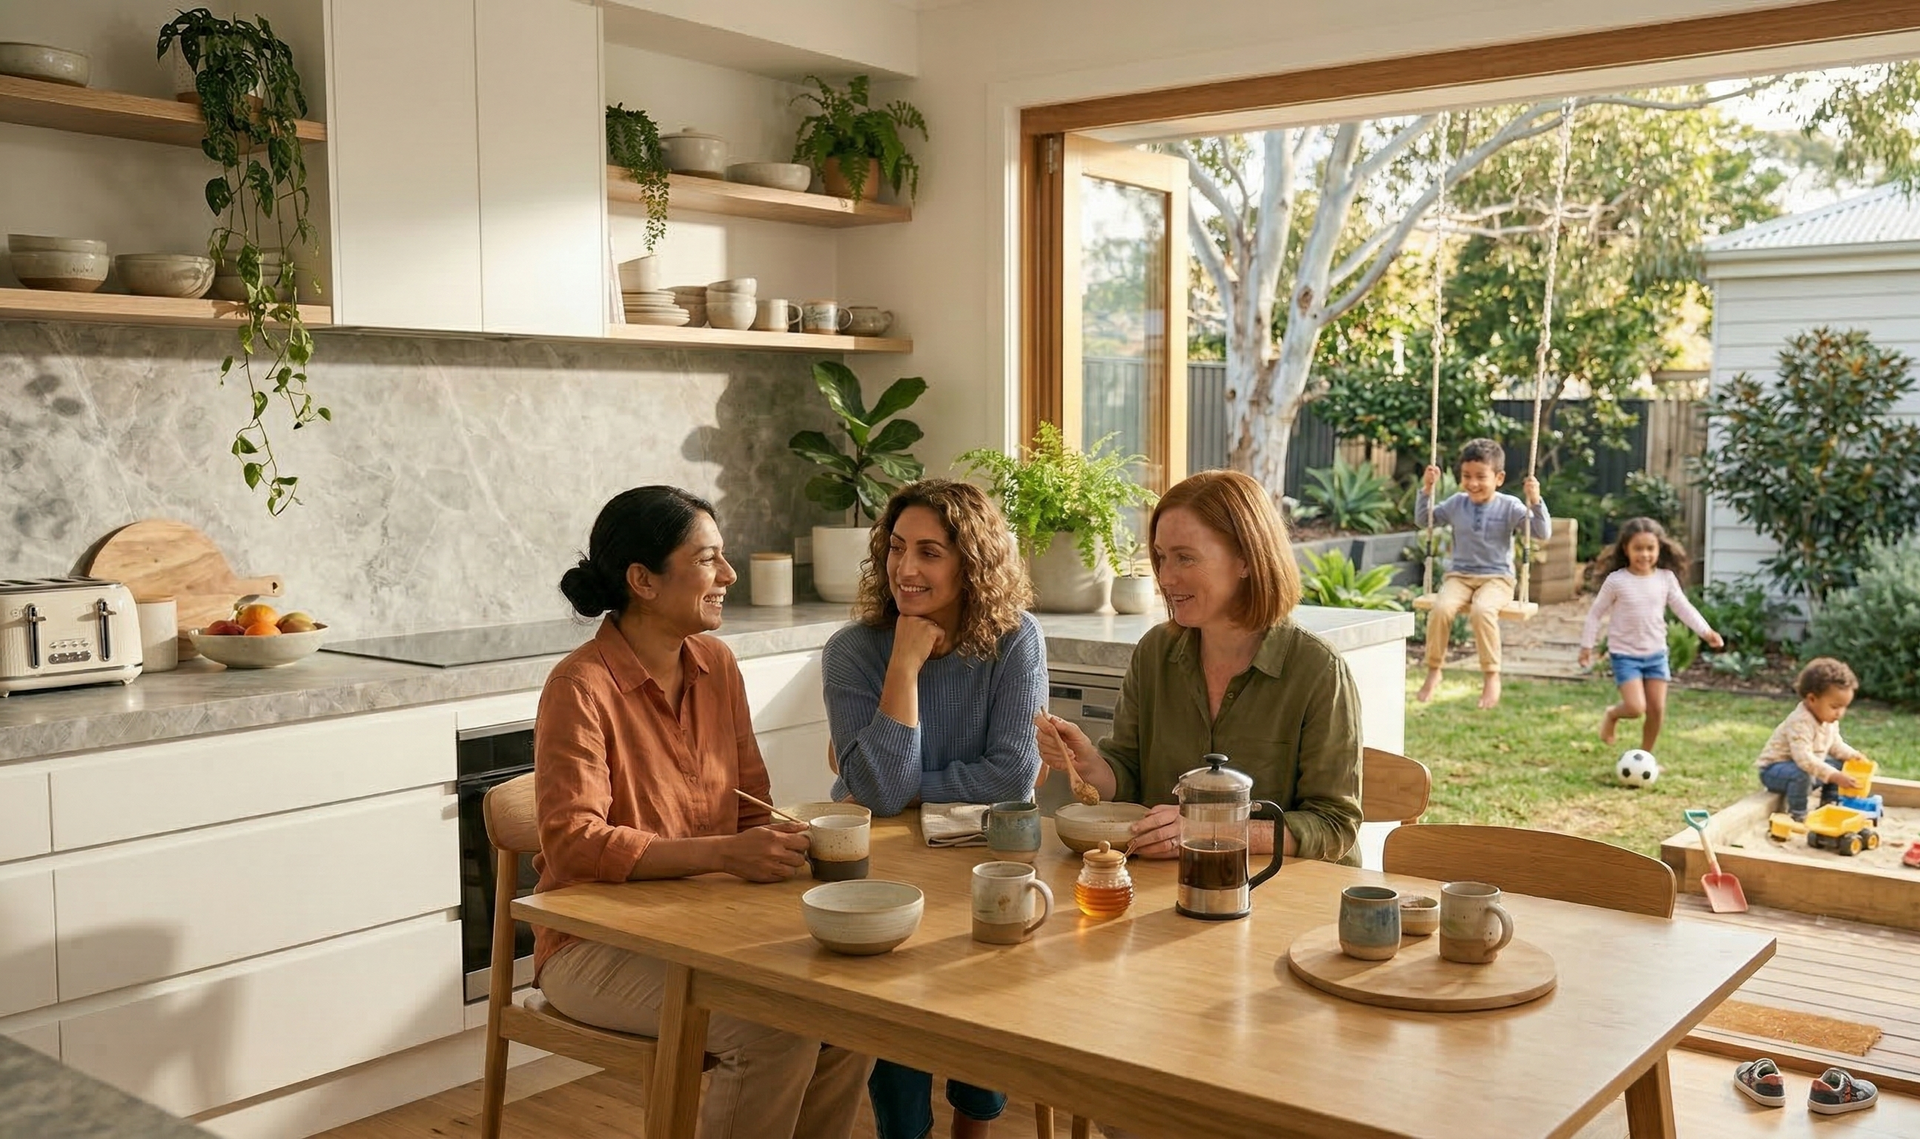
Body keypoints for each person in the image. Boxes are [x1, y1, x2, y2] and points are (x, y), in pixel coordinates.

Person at [532, 486, 871, 1139]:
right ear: (643, 580)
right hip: (592, 945)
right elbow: (574, 843)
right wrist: (722, 854)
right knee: (775, 1022)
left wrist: (778, 842)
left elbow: (749, 807)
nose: (729, 575)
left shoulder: (717, 664)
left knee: (852, 1008)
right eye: (709, 558)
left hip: (701, 925)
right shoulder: (580, 686)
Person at [823, 478, 1047, 1139]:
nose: (906, 568)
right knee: (895, 1010)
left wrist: (890, 780)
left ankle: (972, 1129)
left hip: (987, 859)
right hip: (885, 868)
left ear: (971, 561)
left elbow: (1013, 772)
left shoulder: (1015, 639)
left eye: (929, 551)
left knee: (981, 1002)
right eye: (895, 548)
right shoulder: (855, 651)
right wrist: (904, 662)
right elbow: (882, 795)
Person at [1033, 469, 1362, 866]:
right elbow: (1127, 779)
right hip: (1170, 888)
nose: (1166, 578)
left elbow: (1334, 825)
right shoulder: (1155, 652)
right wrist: (1089, 763)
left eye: (1185, 557)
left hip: (1285, 896)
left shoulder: (1318, 670)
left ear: (1245, 558)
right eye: (1160, 557)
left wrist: (1210, 828)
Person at [1413, 438, 1552, 710]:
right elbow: (1423, 521)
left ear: (1498, 478)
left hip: (1497, 578)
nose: (1472, 483)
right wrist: (1427, 489)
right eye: (1466, 476)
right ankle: (1434, 669)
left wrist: (1535, 501)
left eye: (1481, 477)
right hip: (1460, 576)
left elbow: (1541, 533)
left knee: (1482, 610)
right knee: (1441, 608)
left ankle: (1491, 675)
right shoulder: (1456, 503)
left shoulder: (1510, 506)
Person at [1577, 517, 1723, 753]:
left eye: (1650, 548)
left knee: (1656, 710)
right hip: (1625, 654)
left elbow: (1683, 608)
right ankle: (1613, 715)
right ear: (1626, 549)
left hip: (1656, 654)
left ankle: (1646, 756)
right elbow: (1595, 614)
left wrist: (1706, 631)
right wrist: (1587, 646)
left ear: (1659, 549)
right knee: (1635, 708)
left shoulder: (1665, 579)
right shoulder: (1617, 581)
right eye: (1638, 548)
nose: (1644, 554)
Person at [1756, 657, 1868, 822]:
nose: (1839, 713)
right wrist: (1835, 776)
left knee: (1840, 763)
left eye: (1844, 707)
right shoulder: (1800, 721)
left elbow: (1835, 745)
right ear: (1812, 699)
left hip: (1806, 769)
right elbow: (1804, 759)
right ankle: (1798, 813)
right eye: (1835, 707)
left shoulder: (1828, 720)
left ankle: (1829, 801)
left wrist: (1853, 755)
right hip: (1775, 771)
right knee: (1802, 773)